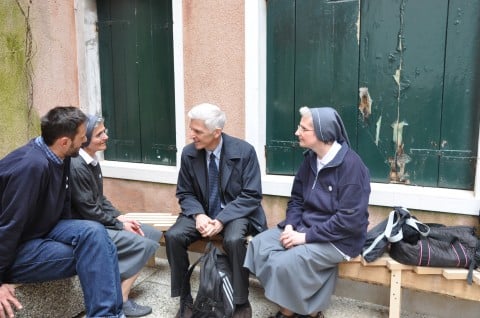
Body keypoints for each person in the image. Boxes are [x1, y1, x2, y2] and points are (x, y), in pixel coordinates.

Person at [244, 106, 371, 318]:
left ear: (323, 134)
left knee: (284, 263)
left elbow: (349, 220)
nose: (297, 132)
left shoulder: (352, 167)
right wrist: (291, 225)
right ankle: (305, 310)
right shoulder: (310, 160)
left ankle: (289, 312)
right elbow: (297, 199)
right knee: (259, 245)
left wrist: (303, 237)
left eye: (303, 128)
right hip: (304, 227)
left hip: (340, 239)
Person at [0, 106, 125, 318]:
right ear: (65, 142)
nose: (85, 141)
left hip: (41, 229)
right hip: (15, 248)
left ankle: (109, 315)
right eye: (82, 137)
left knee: (97, 236)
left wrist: (76, 235)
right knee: (99, 254)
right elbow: (8, 225)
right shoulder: (32, 167)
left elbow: (62, 205)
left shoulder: (61, 155)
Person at [165, 103, 267, 318]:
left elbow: (251, 195)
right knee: (174, 236)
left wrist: (220, 220)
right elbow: (184, 192)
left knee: (233, 240)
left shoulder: (244, 151)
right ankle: (185, 300)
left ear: (216, 132)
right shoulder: (188, 154)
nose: (191, 135)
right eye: (191, 129)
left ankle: (240, 301)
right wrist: (199, 214)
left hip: (236, 212)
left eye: (197, 131)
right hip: (201, 212)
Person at [69, 115, 162, 317]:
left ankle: (118, 292)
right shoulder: (76, 166)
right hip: (87, 227)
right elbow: (88, 210)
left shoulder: (92, 160)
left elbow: (100, 200)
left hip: (99, 220)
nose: (106, 137)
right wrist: (118, 225)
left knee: (152, 233)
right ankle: (122, 299)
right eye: (99, 134)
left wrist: (120, 218)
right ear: (84, 139)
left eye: (105, 131)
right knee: (143, 242)